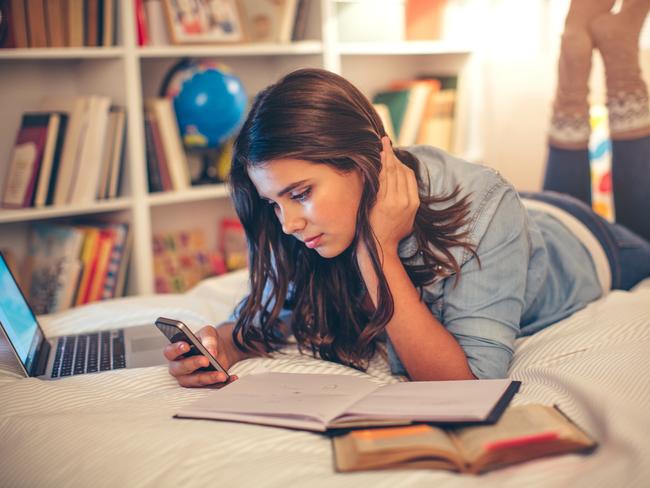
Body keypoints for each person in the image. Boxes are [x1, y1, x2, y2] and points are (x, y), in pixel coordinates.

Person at [164, 2, 650, 388]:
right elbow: (273, 314)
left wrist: (378, 252)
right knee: (541, 192)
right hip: (520, 215)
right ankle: (572, 77)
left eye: (300, 194)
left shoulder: (485, 203)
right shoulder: (315, 224)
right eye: (274, 203)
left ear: (362, 163)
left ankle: (621, 65)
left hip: (589, 243)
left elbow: (468, 383)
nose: (287, 223)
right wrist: (219, 346)